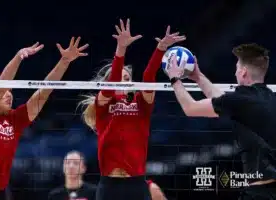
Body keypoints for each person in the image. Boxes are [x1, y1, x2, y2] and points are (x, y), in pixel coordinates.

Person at [79, 18, 185, 200]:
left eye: (127, 78)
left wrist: (161, 49)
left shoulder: (141, 102)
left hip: (136, 184)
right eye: (120, 77)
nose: (124, 81)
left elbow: (148, 76)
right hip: (109, 185)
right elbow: (111, 85)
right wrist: (121, 49)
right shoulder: (103, 103)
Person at [0, 37, 89, 200]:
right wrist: (18, 57)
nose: (10, 95)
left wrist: (64, 62)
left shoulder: (16, 119)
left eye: (12, 92)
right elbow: (1, 86)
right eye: (6, 92)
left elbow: (44, 92)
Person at [166, 43, 276, 199]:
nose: (235, 71)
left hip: (259, 193)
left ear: (243, 72)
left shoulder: (241, 100)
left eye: (237, 67)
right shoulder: (269, 97)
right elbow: (222, 100)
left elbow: (190, 108)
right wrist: (198, 77)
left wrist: (174, 78)